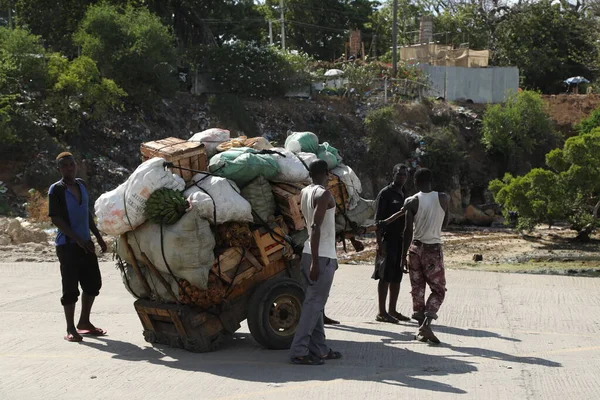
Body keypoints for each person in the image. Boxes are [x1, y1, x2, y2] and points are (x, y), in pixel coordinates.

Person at [48, 152, 108, 342]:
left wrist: (98, 237)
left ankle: (84, 322)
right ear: (59, 169)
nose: (69, 168)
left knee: (93, 284)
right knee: (70, 288)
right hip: (67, 246)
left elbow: (86, 214)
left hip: (86, 244)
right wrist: (78, 239)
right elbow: (56, 219)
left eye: (72, 164)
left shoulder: (81, 185)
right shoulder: (56, 190)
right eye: (65, 166)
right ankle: (70, 328)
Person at [290, 160, 342, 365]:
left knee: (317, 305)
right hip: (320, 256)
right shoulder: (324, 194)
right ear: (327, 173)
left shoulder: (305, 192)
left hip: (309, 253)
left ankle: (320, 349)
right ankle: (299, 351)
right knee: (313, 306)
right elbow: (315, 226)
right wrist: (316, 264)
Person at [401, 168, 449, 344]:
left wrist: (402, 257)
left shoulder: (411, 201)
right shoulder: (443, 198)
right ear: (431, 181)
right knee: (438, 290)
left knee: (418, 289)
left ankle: (422, 327)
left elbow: (407, 231)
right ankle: (426, 325)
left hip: (415, 248)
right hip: (433, 250)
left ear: (415, 182)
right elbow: (446, 221)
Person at [372, 164, 411, 324]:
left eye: (404, 174)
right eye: (399, 174)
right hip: (388, 239)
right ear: (393, 175)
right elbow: (378, 221)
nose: (401, 177)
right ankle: (381, 312)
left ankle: (392, 310)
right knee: (385, 276)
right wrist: (379, 243)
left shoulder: (405, 194)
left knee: (397, 276)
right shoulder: (385, 194)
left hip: (401, 240)